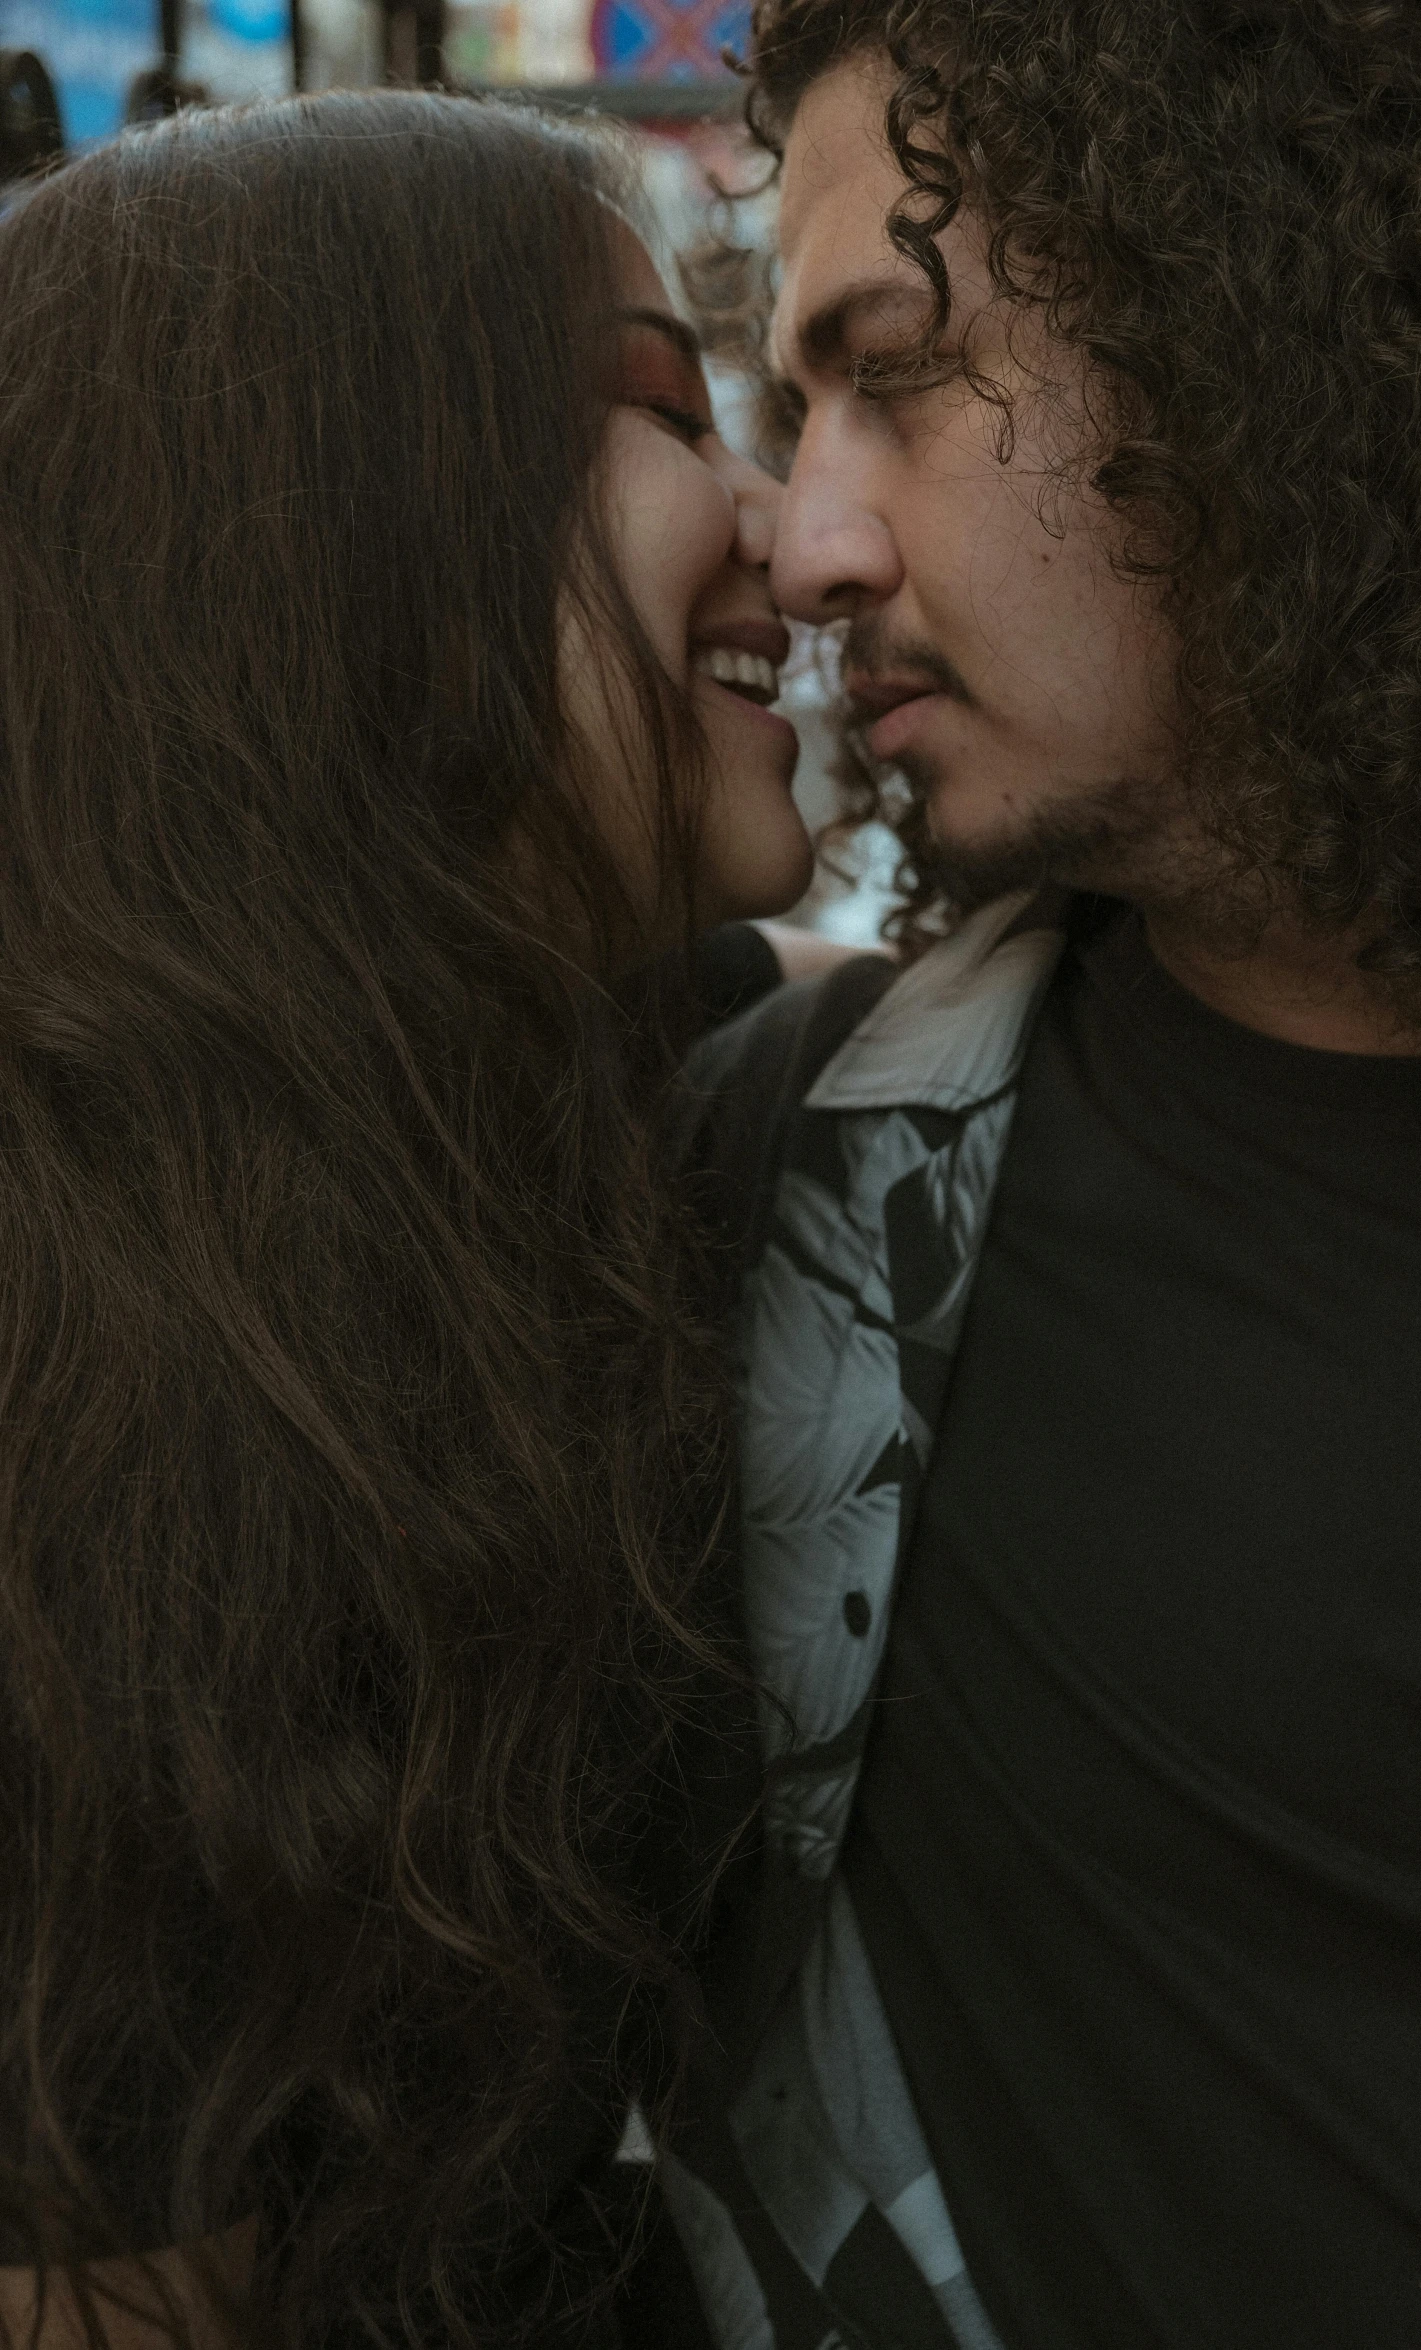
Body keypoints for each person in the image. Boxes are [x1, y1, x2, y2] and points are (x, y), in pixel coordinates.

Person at [643, 4, 1421, 2346]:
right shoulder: (801, 1179)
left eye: (903, 369)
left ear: (1274, 323)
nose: (820, 539)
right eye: (781, 411)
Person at [0, 89, 819, 2349]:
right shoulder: (81, 1433)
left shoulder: (609, 1048)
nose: (792, 518)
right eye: (658, 409)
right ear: (327, 525)